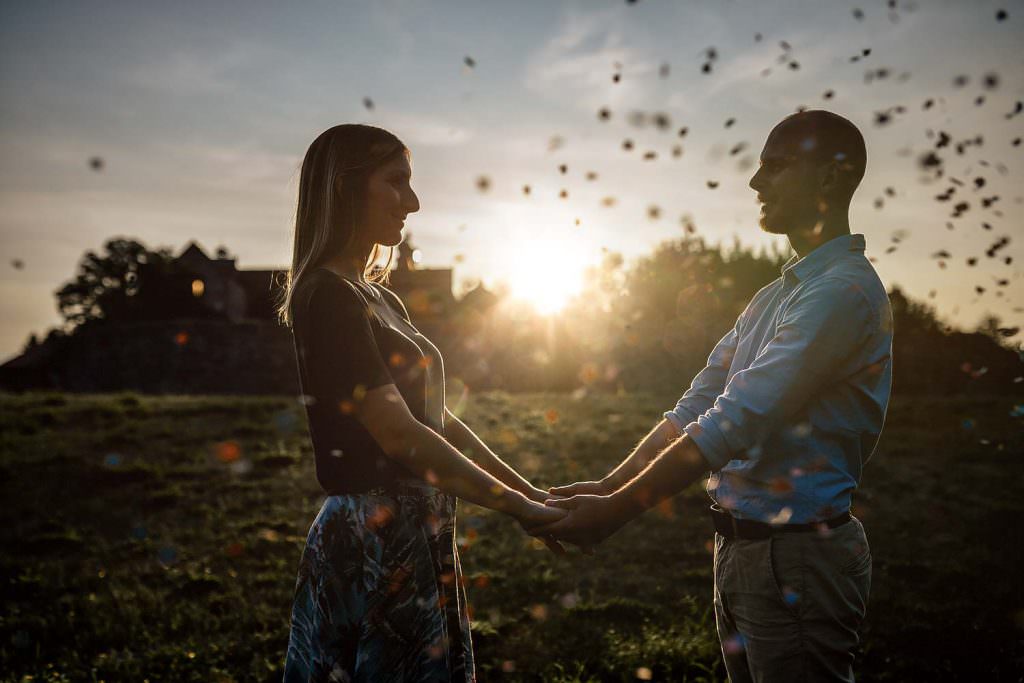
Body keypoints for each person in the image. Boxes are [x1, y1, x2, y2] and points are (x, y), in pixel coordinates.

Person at [538, 110, 893, 682]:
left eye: (775, 167)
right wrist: (607, 486)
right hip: (744, 551)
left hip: (796, 558)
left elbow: (736, 419)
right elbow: (698, 403)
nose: (756, 183)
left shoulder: (841, 293)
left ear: (830, 177)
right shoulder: (776, 294)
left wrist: (618, 511)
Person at [277, 124, 565, 682]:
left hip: (418, 530)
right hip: (373, 537)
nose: (413, 203)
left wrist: (531, 496)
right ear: (345, 187)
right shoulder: (327, 296)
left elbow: (438, 422)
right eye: (397, 183)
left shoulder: (378, 297)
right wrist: (519, 508)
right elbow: (400, 436)